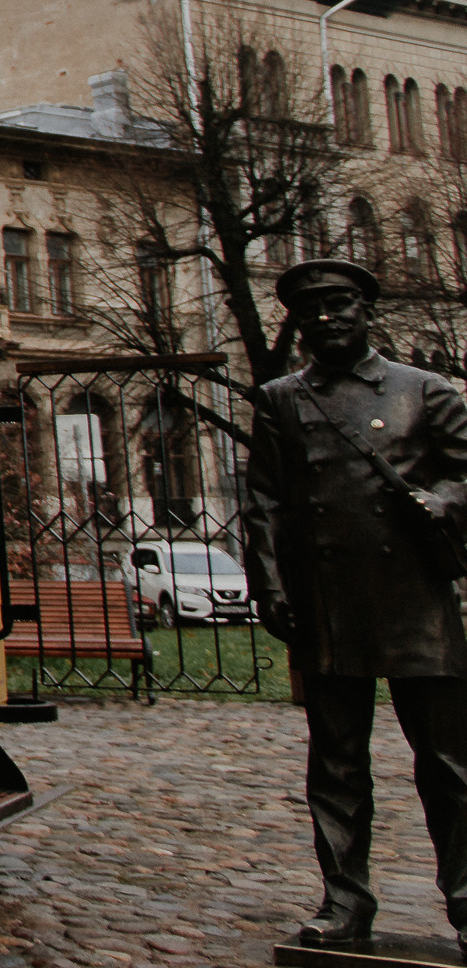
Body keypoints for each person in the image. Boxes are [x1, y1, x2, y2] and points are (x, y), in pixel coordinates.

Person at [244, 256, 467, 948]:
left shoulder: (424, 390)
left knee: (449, 766)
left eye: (338, 305)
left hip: (416, 604)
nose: (323, 319)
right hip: (328, 605)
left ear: (366, 310)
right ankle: (345, 903)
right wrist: (272, 588)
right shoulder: (283, 398)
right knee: (336, 766)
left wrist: (444, 499)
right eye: (309, 311)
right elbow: (264, 504)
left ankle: (465, 900)